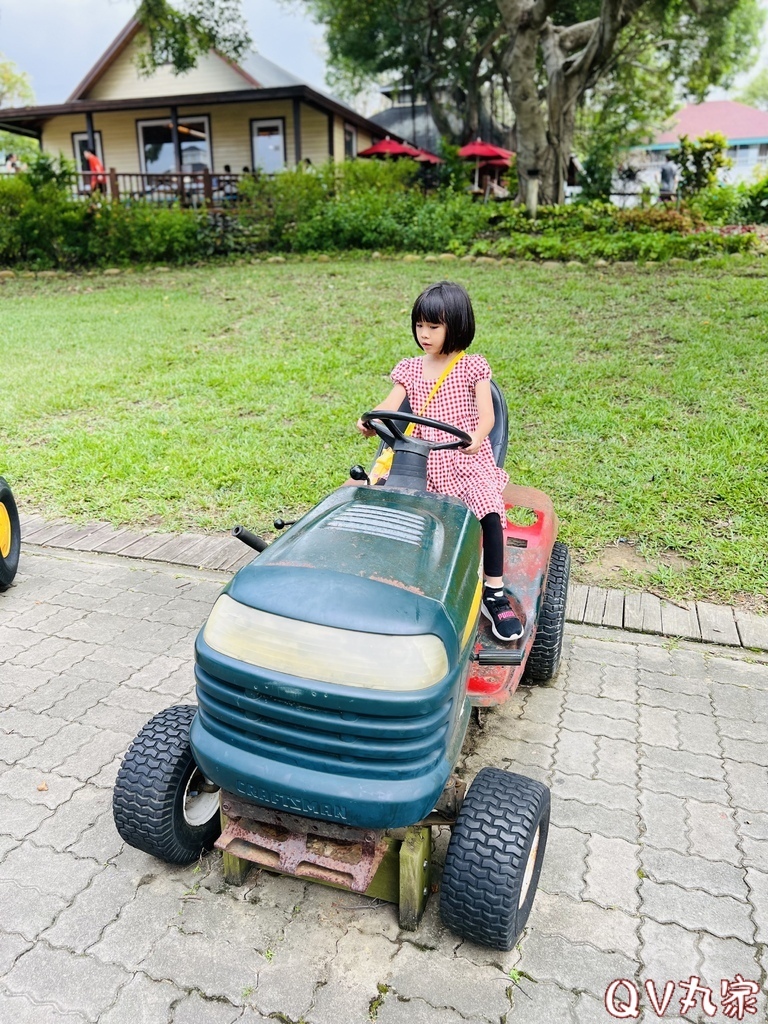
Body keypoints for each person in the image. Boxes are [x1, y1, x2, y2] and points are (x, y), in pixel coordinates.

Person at [356, 281, 523, 642]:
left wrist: (477, 438)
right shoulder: (410, 369)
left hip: (463, 459)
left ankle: (493, 590)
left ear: (457, 325)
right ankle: (383, 577)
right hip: (419, 459)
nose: (424, 334)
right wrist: (371, 420)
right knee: (380, 500)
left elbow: (486, 417)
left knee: (489, 508)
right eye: (420, 326)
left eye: (434, 327)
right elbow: (390, 404)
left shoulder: (472, 367)